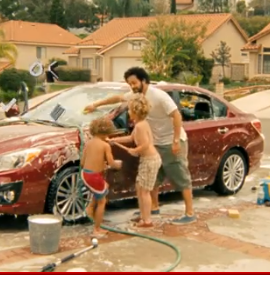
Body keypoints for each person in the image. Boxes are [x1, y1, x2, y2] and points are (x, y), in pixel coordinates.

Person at [83, 67, 196, 225]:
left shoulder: (159, 96)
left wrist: (176, 141)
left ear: (144, 80)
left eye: (134, 82)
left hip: (171, 142)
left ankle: (189, 213)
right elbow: (117, 98)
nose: (133, 86)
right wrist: (96, 104)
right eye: (130, 84)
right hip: (154, 144)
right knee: (154, 180)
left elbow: (177, 115)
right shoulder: (136, 97)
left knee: (181, 177)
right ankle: (153, 207)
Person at [112, 95, 162, 228]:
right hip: (148, 159)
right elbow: (130, 138)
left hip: (149, 160)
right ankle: (143, 215)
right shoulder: (140, 124)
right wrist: (113, 140)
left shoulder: (140, 126)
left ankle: (147, 221)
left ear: (135, 112)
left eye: (129, 110)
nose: (128, 112)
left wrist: (135, 151)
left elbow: (145, 144)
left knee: (144, 190)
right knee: (140, 188)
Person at [80, 116, 122, 238]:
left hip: (85, 174)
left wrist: (98, 164)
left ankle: (90, 208)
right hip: (94, 177)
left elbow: (83, 162)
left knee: (104, 187)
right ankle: (97, 229)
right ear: (107, 132)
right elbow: (111, 163)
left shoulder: (88, 143)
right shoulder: (105, 146)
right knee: (102, 201)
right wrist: (117, 165)